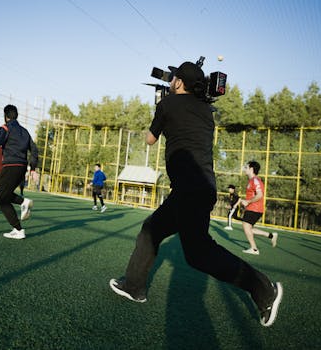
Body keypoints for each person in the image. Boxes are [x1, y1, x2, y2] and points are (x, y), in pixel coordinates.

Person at [109, 61, 283, 327]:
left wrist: (161, 104)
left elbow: (149, 139)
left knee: (197, 252)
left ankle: (264, 289)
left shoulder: (167, 104)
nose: (169, 83)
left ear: (178, 82)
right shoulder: (205, 110)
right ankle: (134, 286)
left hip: (188, 190)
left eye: (173, 79)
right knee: (155, 233)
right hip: (201, 188)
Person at [0, 104, 38, 240]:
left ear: (6, 116)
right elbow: (34, 150)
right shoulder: (25, 131)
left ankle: (19, 227)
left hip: (10, 166)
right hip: (22, 168)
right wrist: (33, 168)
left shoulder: (5, 128)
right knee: (4, 195)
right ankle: (22, 209)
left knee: (2, 200)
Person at [240, 161, 278, 255]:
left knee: (246, 226)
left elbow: (260, 195)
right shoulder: (251, 181)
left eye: (246, 167)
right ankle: (271, 235)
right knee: (248, 228)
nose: (245, 169)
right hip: (252, 208)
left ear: (251, 169)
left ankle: (254, 249)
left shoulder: (255, 180)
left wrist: (247, 202)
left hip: (255, 208)